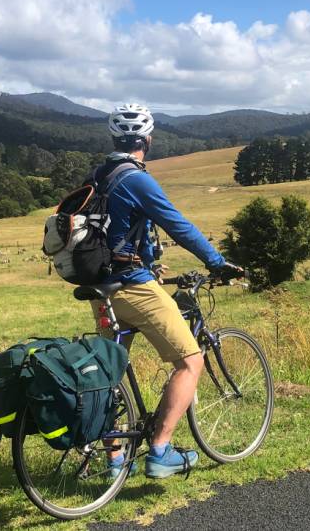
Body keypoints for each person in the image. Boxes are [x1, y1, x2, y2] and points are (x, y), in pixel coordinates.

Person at [89, 103, 243, 479]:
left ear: (114, 138)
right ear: (148, 140)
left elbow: (116, 229)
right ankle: (160, 452)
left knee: (111, 372)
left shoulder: (100, 175)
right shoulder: (136, 178)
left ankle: (114, 461)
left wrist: (148, 259)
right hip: (131, 288)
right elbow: (179, 225)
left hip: (101, 288)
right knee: (191, 362)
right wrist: (217, 261)